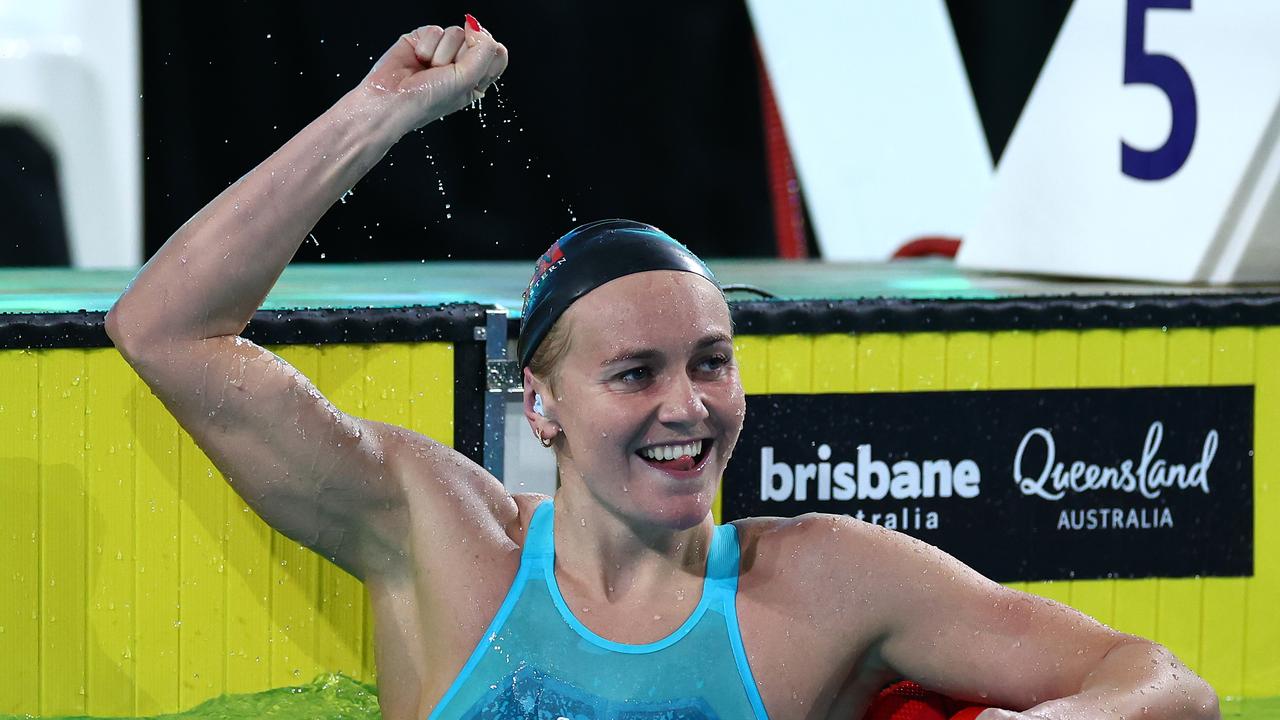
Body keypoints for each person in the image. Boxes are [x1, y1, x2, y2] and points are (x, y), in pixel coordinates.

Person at [105, 16, 1220, 720]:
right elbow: (164, 330)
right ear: (538, 404)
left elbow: (1167, 683)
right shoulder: (438, 540)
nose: (685, 405)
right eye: (633, 373)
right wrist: (377, 112)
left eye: (709, 362)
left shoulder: (823, 584)